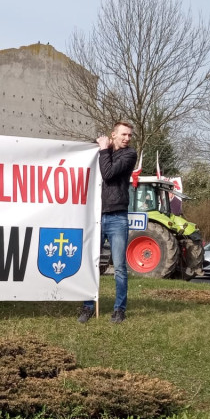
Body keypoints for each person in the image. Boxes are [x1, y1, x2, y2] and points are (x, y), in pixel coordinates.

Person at [78, 121, 136, 324]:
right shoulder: (103, 151)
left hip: (117, 217)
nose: (127, 138)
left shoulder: (129, 155)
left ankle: (119, 309)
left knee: (119, 266)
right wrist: (98, 145)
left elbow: (108, 173)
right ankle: (87, 305)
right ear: (113, 134)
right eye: (124, 134)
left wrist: (103, 149)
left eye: (129, 135)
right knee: (91, 263)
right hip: (96, 216)